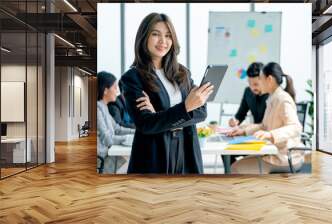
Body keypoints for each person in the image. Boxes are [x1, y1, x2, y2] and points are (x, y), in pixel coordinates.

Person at [121, 13, 214, 174]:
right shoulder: (133, 78)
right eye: (156, 34)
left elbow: (201, 112)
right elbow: (146, 124)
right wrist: (185, 107)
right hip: (154, 154)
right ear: (144, 37)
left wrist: (159, 116)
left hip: (186, 150)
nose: (163, 41)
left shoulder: (182, 72)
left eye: (168, 35)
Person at [227, 62, 304, 174]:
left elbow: (296, 127)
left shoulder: (282, 99)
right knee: (235, 165)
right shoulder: (273, 98)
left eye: (261, 80)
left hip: (283, 157)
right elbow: (264, 126)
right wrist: (243, 131)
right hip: (273, 152)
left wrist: (271, 134)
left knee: (235, 168)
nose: (258, 84)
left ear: (269, 79)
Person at [97, 71, 135, 174]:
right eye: (114, 87)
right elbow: (106, 138)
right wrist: (126, 138)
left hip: (107, 155)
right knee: (129, 162)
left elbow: (117, 128)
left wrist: (136, 132)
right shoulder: (98, 109)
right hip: (102, 158)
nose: (117, 91)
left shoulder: (104, 106)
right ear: (105, 90)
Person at [228, 62, 268, 127]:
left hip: (268, 133)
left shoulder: (272, 95)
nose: (252, 88)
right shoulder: (248, 91)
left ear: (264, 80)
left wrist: (248, 127)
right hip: (254, 134)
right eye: (249, 83)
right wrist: (235, 121)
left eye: (256, 84)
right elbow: (240, 115)